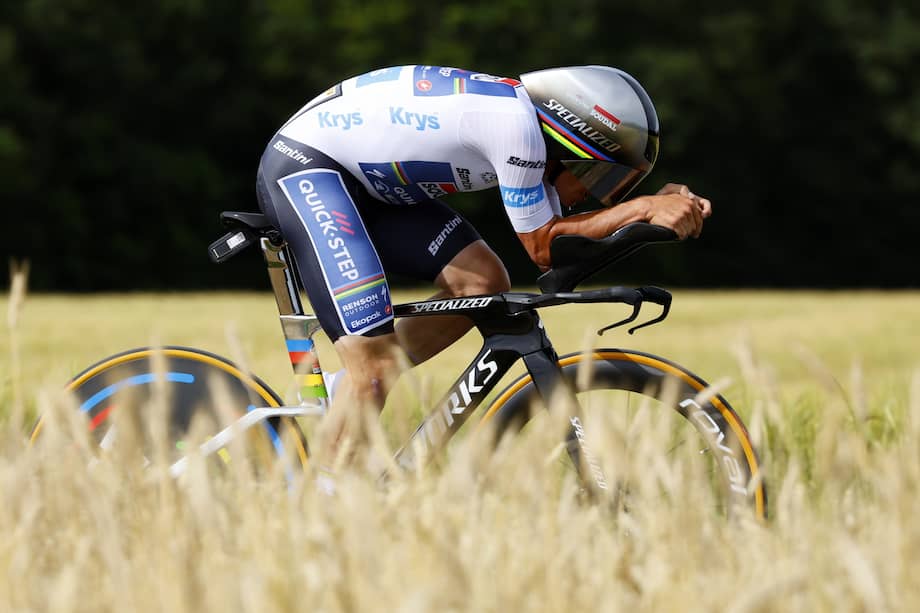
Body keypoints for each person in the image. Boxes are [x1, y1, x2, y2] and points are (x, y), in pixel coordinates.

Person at [255, 65, 711, 462]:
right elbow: (544, 248)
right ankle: (321, 506)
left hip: (371, 187)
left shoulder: (521, 119)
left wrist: (646, 210)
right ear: (566, 136)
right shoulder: (517, 128)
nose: (590, 194)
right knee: (370, 366)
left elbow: (564, 253)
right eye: (596, 174)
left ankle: (351, 391)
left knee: (482, 284)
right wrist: (644, 208)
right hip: (310, 167)